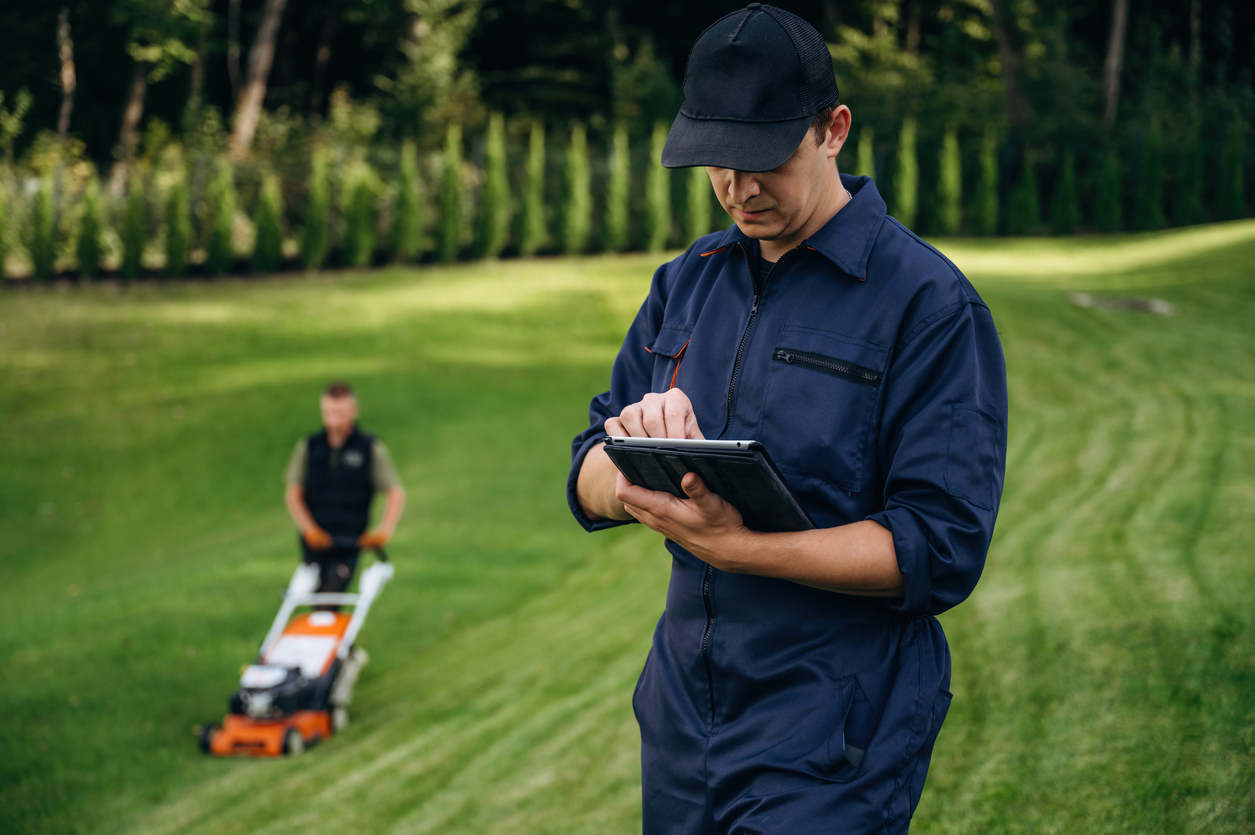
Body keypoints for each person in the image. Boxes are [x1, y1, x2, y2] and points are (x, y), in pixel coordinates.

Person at [568, 5, 1007, 833]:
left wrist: (743, 548)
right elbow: (586, 465)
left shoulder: (927, 303)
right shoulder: (685, 282)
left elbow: (938, 546)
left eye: (763, 158)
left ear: (832, 129)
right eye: (716, 164)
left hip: (834, 730)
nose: (739, 188)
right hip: (682, 722)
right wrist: (637, 471)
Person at [284, 382, 405, 595]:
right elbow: (293, 493)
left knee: (330, 597)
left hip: (350, 540)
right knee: (311, 597)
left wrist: (383, 532)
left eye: (339, 413)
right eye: (329, 412)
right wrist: (309, 529)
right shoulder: (310, 447)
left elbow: (395, 492)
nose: (334, 418)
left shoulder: (368, 448)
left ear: (353, 411)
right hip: (314, 542)